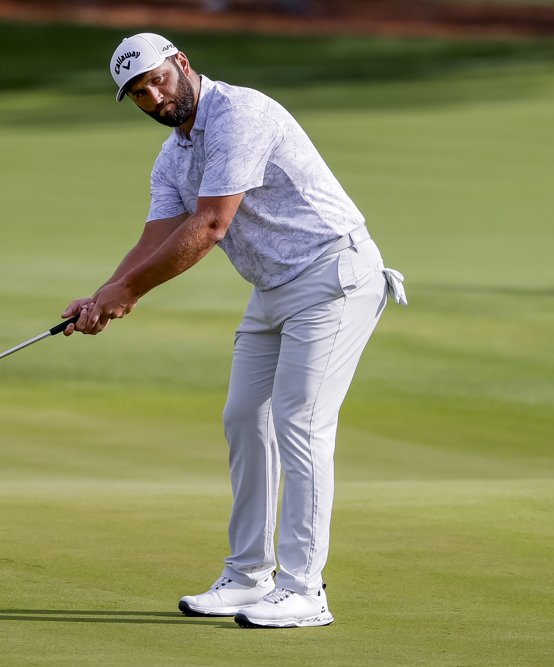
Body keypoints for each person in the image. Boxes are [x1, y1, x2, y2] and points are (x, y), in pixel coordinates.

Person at [62, 32, 406, 629]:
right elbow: (156, 238)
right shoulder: (173, 155)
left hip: (333, 276)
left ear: (182, 63)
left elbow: (212, 224)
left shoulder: (239, 113)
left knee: (300, 423)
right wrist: (102, 296)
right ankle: (250, 576)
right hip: (273, 290)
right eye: (138, 93)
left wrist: (130, 292)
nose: (154, 97)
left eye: (157, 80)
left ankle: (305, 592)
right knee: (245, 418)